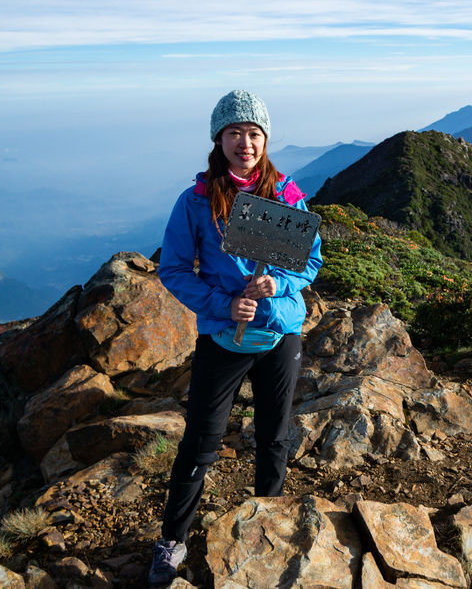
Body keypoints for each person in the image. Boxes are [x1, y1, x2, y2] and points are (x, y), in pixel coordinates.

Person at [148, 89, 322, 585]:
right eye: (234, 133)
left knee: (273, 437)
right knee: (200, 444)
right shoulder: (197, 201)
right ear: (218, 139)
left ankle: (268, 521)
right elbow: (175, 269)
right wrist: (222, 305)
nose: (245, 142)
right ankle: (171, 542)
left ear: (265, 138)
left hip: (278, 333)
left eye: (253, 133)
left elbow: (310, 262)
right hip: (225, 337)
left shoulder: (286, 195)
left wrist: (278, 282)